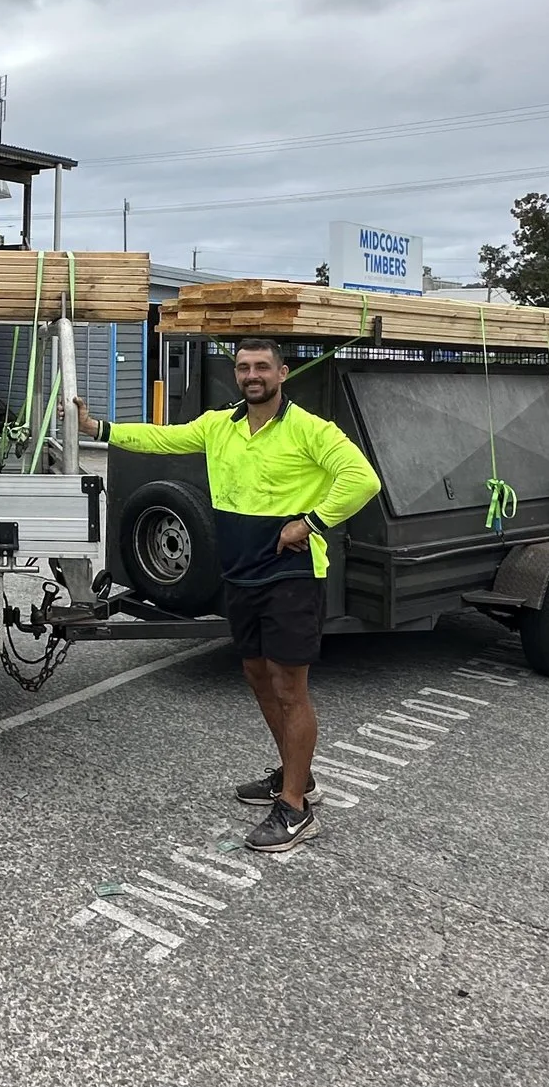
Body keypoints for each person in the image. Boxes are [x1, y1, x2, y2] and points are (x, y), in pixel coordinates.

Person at [76, 338, 380, 853]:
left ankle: (296, 809)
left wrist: (310, 522)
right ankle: (294, 776)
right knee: (257, 675)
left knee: (290, 687)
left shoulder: (311, 430)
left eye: (262, 366)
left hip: (291, 574)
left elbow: (362, 479)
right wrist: (98, 429)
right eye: (244, 367)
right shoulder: (221, 425)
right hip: (240, 573)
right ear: (237, 375)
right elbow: (162, 439)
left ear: (283, 372)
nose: (252, 375)